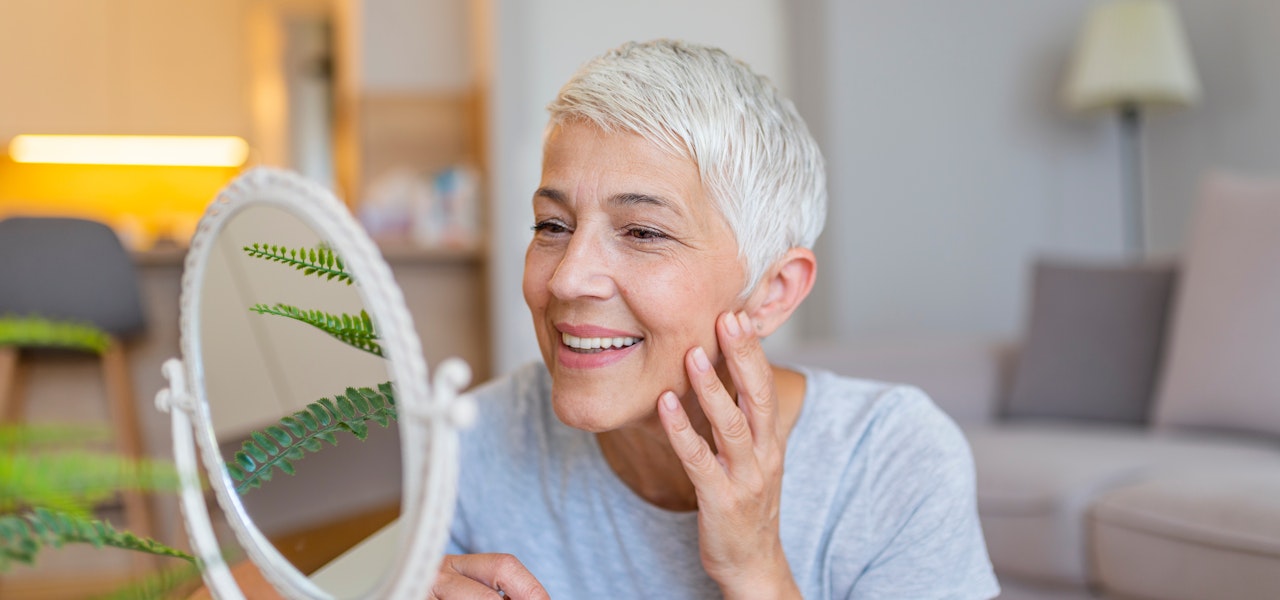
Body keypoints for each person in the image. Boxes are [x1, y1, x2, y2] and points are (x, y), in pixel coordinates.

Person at [431, 39, 999, 599]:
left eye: (644, 233)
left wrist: (757, 570)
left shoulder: (891, 463)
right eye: (552, 226)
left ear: (773, 292)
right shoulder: (474, 439)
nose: (566, 280)